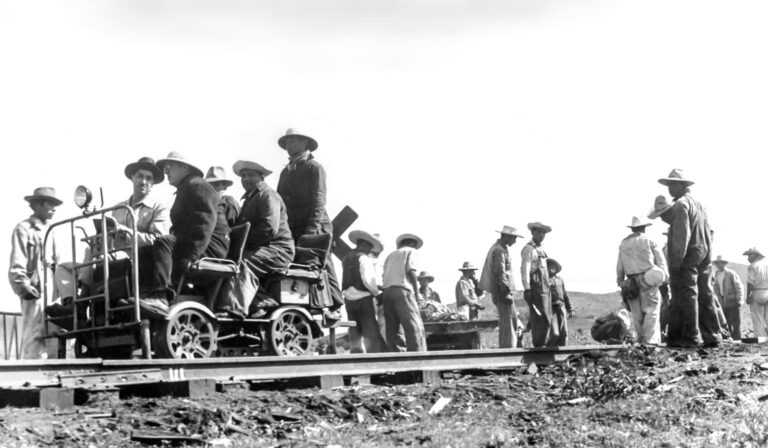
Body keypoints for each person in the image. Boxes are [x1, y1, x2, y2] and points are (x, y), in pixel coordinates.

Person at [54, 157, 170, 299]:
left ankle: (83, 299)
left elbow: (158, 242)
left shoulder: (159, 208)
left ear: (153, 184)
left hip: (137, 260)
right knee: (64, 268)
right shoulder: (118, 208)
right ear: (132, 178)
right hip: (111, 256)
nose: (143, 181)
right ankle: (70, 304)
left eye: (148, 178)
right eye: (140, 176)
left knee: (97, 257)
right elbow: (108, 237)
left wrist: (126, 232)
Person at [144, 152, 230, 311]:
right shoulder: (187, 187)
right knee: (147, 251)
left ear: (185, 167)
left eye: (170, 166)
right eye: (165, 167)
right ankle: (147, 294)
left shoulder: (196, 185)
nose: (166, 170)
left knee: (163, 242)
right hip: (196, 244)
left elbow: (205, 222)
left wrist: (192, 256)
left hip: (210, 247)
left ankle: (161, 297)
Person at [276, 128, 343, 318]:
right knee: (301, 266)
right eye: (287, 142)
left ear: (305, 143)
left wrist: (312, 230)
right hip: (293, 226)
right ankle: (310, 304)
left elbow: (318, 200)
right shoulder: (286, 172)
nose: (289, 146)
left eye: (293, 141)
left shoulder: (314, 168)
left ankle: (335, 306)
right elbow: (280, 202)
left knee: (323, 264)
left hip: (315, 224)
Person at [216, 158, 295, 318]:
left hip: (278, 249)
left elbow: (269, 229)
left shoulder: (268, 196)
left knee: (240, 263)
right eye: (243, 176)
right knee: (230, 262)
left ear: (261, 177)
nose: (245, 179)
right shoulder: (250, 199)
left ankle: (236, 308)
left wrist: (243, 243)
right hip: (263, 248)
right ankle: (260, 301)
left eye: (250, 175)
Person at [658, 169, 721, 348]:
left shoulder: (681, 205)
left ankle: (689, 337)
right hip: (704, 255)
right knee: (706, 294)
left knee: (687, 296)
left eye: (673, 185)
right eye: (669, 185)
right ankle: (712, 336)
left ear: (682, 185)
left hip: (688, 257)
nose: (670, 189)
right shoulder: (699, 204)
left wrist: (676, 261)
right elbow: (707, 232)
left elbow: (681, 235)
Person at [8, 187, 62, 359]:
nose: (53, 208)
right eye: (49, 203)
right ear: (36, 205)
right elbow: (18, 261)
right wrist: (23, 286)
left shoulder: (52, 230)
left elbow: (57, 263)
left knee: (54, 334)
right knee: (35, 335)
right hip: (35, 288)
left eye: (55, 204)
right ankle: (33, 379)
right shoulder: (23, 229)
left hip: (53, 289)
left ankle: (53, 380)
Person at [616, 216, 668, 345]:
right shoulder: (649, 241)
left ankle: (640, 340)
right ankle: (650, 342)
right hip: (648, 278)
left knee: (637, 313)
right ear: (644, 228)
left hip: (631, 282)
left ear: (632, 228)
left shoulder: (624, 243)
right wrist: (664, 278)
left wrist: (620, 280)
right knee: (652, 311)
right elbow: (661, 262)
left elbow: (620, 265)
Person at [342, 229, 386, 353]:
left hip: (349, 299)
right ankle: (375, 360)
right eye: (370, 247)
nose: (370, 250)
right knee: (370, 332)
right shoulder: (364, 258)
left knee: (354, 332)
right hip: (364, 299)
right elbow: (368, 281)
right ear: (365, 244)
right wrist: (377, 293)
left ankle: (357, 358)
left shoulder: (346, 258)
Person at [479, 225, 524, 348]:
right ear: (507, 236)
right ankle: (508, 349)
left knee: (509, 321)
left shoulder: (500, 248)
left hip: (501, 291)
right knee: (508, 322)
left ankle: (509, 347)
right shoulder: (499, 250)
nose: (515, 241)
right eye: (514, 238)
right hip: (502, 291)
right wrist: (506, 292)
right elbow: (500, 272)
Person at [381, 233, 426, 352]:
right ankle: (417, 357)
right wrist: (417, 294)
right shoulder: (411, 251)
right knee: (413, 326)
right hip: (402, 290)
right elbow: (411, 271)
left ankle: (397, 358)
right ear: (412, 244)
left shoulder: (391, 255)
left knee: (393, 329)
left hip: (387, 292)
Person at [521, 221, 555, 348]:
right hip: (536, 289)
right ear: (533, 232)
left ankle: (543, 345)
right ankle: (538, 346)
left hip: (545, 289)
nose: (541, 235)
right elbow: (525, 270)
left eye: (543, 233)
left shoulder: (541, 249)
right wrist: (527, 289)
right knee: (539, 319)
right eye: (539, 232)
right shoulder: (529, 249)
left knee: (547, 319)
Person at [711, 255, 745, 340]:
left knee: (736, 323)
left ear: (724, 264)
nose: (719, 265)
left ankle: (738, 340)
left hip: (733, 302)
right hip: (722, 302)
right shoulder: (716, 275)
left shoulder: (731, 273)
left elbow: (739, 287)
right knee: (726, 323)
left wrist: (739, 300)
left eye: (721, 263)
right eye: (718, 263)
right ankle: (730, 340)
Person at [547, 258, 573, 346]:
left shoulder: (560, 280)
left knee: (564, 333)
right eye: (549, 266)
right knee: (554, 334)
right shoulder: (545, 280)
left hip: (561, 307)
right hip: (551, 309)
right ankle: (549, 351)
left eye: (553, 266)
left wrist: (570, 309)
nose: (551, 268)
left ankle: (561, 354)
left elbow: (565, 295)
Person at [744, 248, 768, 337]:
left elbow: (750, 283)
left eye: (750, 255)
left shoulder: (752, 266)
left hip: (758, 292)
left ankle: (760, 338)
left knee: (757, 318)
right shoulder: (766, 265)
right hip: (767, 291)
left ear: (756, 255)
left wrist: (748, 296)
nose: (748, 257)